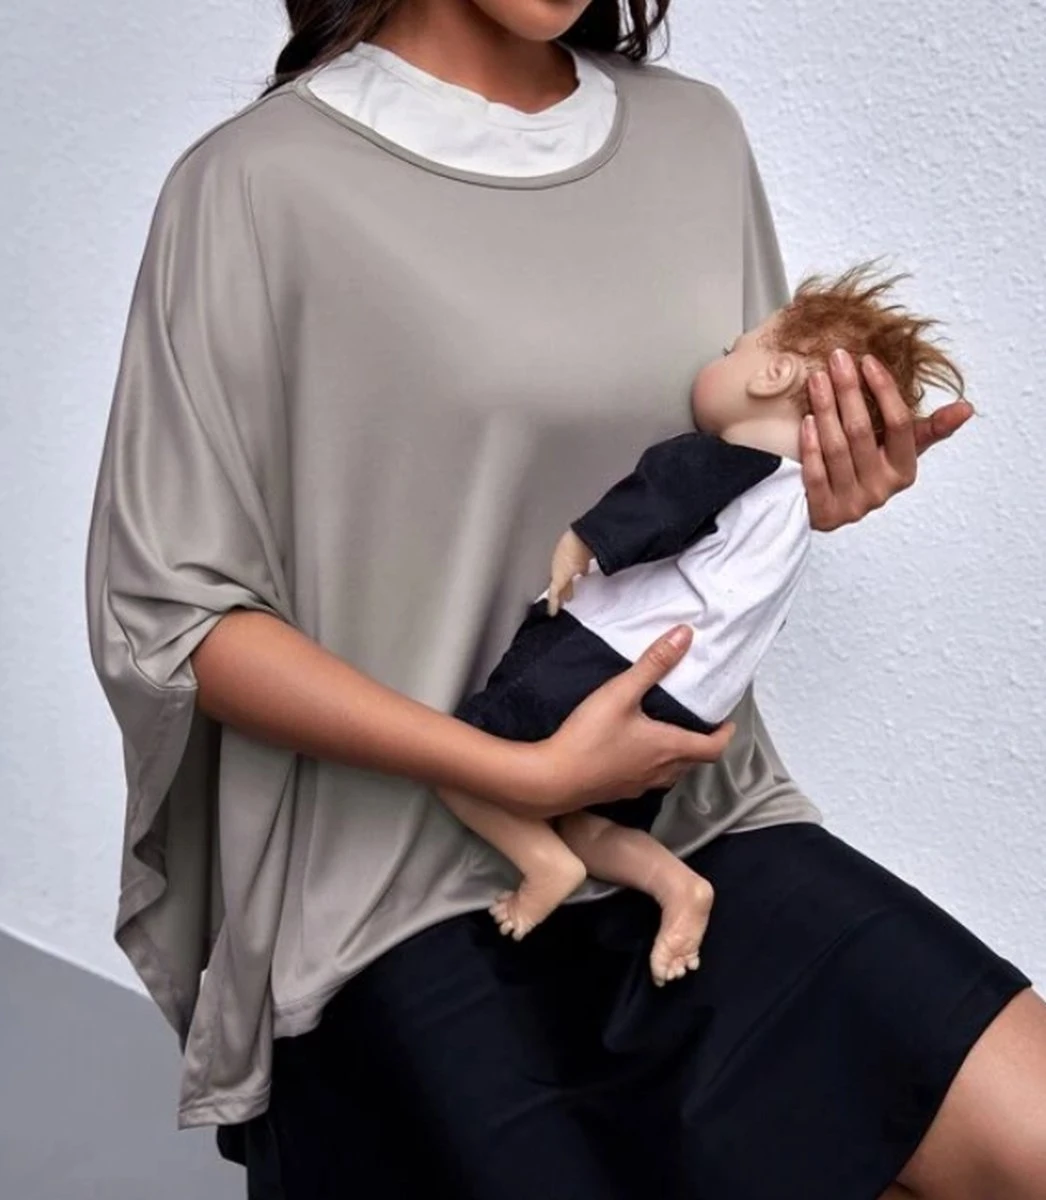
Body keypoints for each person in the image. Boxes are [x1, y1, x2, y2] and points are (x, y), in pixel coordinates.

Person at [81, 0, 1046, 1196]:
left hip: (693, 829)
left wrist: (820, 487)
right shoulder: (253, 184)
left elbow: (732, 464)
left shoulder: (695, 138)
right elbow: (175, 619)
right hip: (392, 883)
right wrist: (514, 772)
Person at [436, 264, 967, 990]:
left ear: (772, 374)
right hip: (689, 711)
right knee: (594, 819)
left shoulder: (724, 464)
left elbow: (656, 499)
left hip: (609, 658)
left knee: (465, 759)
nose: (721, 357)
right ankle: (678, 886)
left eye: (732, 350)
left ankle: (543, 864)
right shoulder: (792, 514)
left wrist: (580, 543)